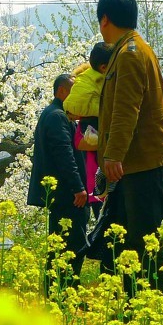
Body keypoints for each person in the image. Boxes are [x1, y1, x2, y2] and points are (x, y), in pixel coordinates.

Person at [87, 0, 163, 285]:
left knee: (141, 242)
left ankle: (152, 305)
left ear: (104, 19)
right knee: (131, 240)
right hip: (142, 163)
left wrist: (113, 155)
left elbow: (127, 110)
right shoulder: (134, 49)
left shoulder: (128, 54)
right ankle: (135, 304)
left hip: (144, 163)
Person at [28, 73, 89, 284]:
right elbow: (63, 154)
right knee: (71, 243)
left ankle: (58, 290)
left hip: (62, 193)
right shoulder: (57, 116)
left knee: (62, 243)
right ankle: (64, 289)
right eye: (73, 91)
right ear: (61, 91)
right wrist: (78, 187)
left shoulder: (58, 114)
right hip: (67, 194)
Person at [64, 41, 114, 218]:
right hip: (100, 168)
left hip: (96, 169)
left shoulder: (82, 80)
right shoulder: (101, 81)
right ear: (103, 67)